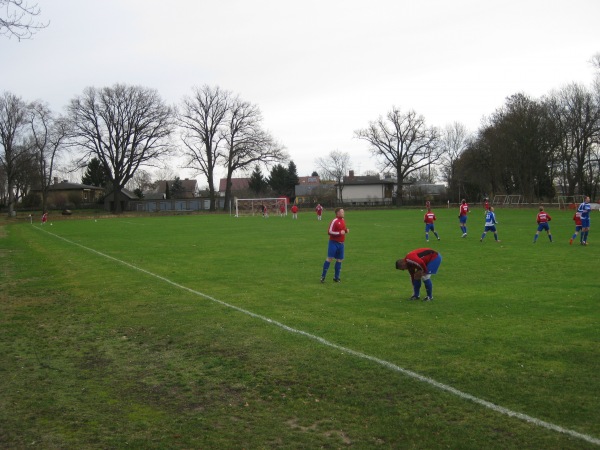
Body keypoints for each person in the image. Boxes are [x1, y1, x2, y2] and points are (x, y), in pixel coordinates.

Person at [320, 207, 349, 283]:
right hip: (333, 243)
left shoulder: (342, 220)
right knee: (330, 258)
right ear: (338, 213)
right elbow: (329, 231)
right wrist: (340, 233)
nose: (343, 213)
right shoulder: (334, 221)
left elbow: (342, 230)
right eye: (342, 212)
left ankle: (336, 277)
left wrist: (345, 230)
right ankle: (323, 277)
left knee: (340, 260)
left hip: (341, 244)